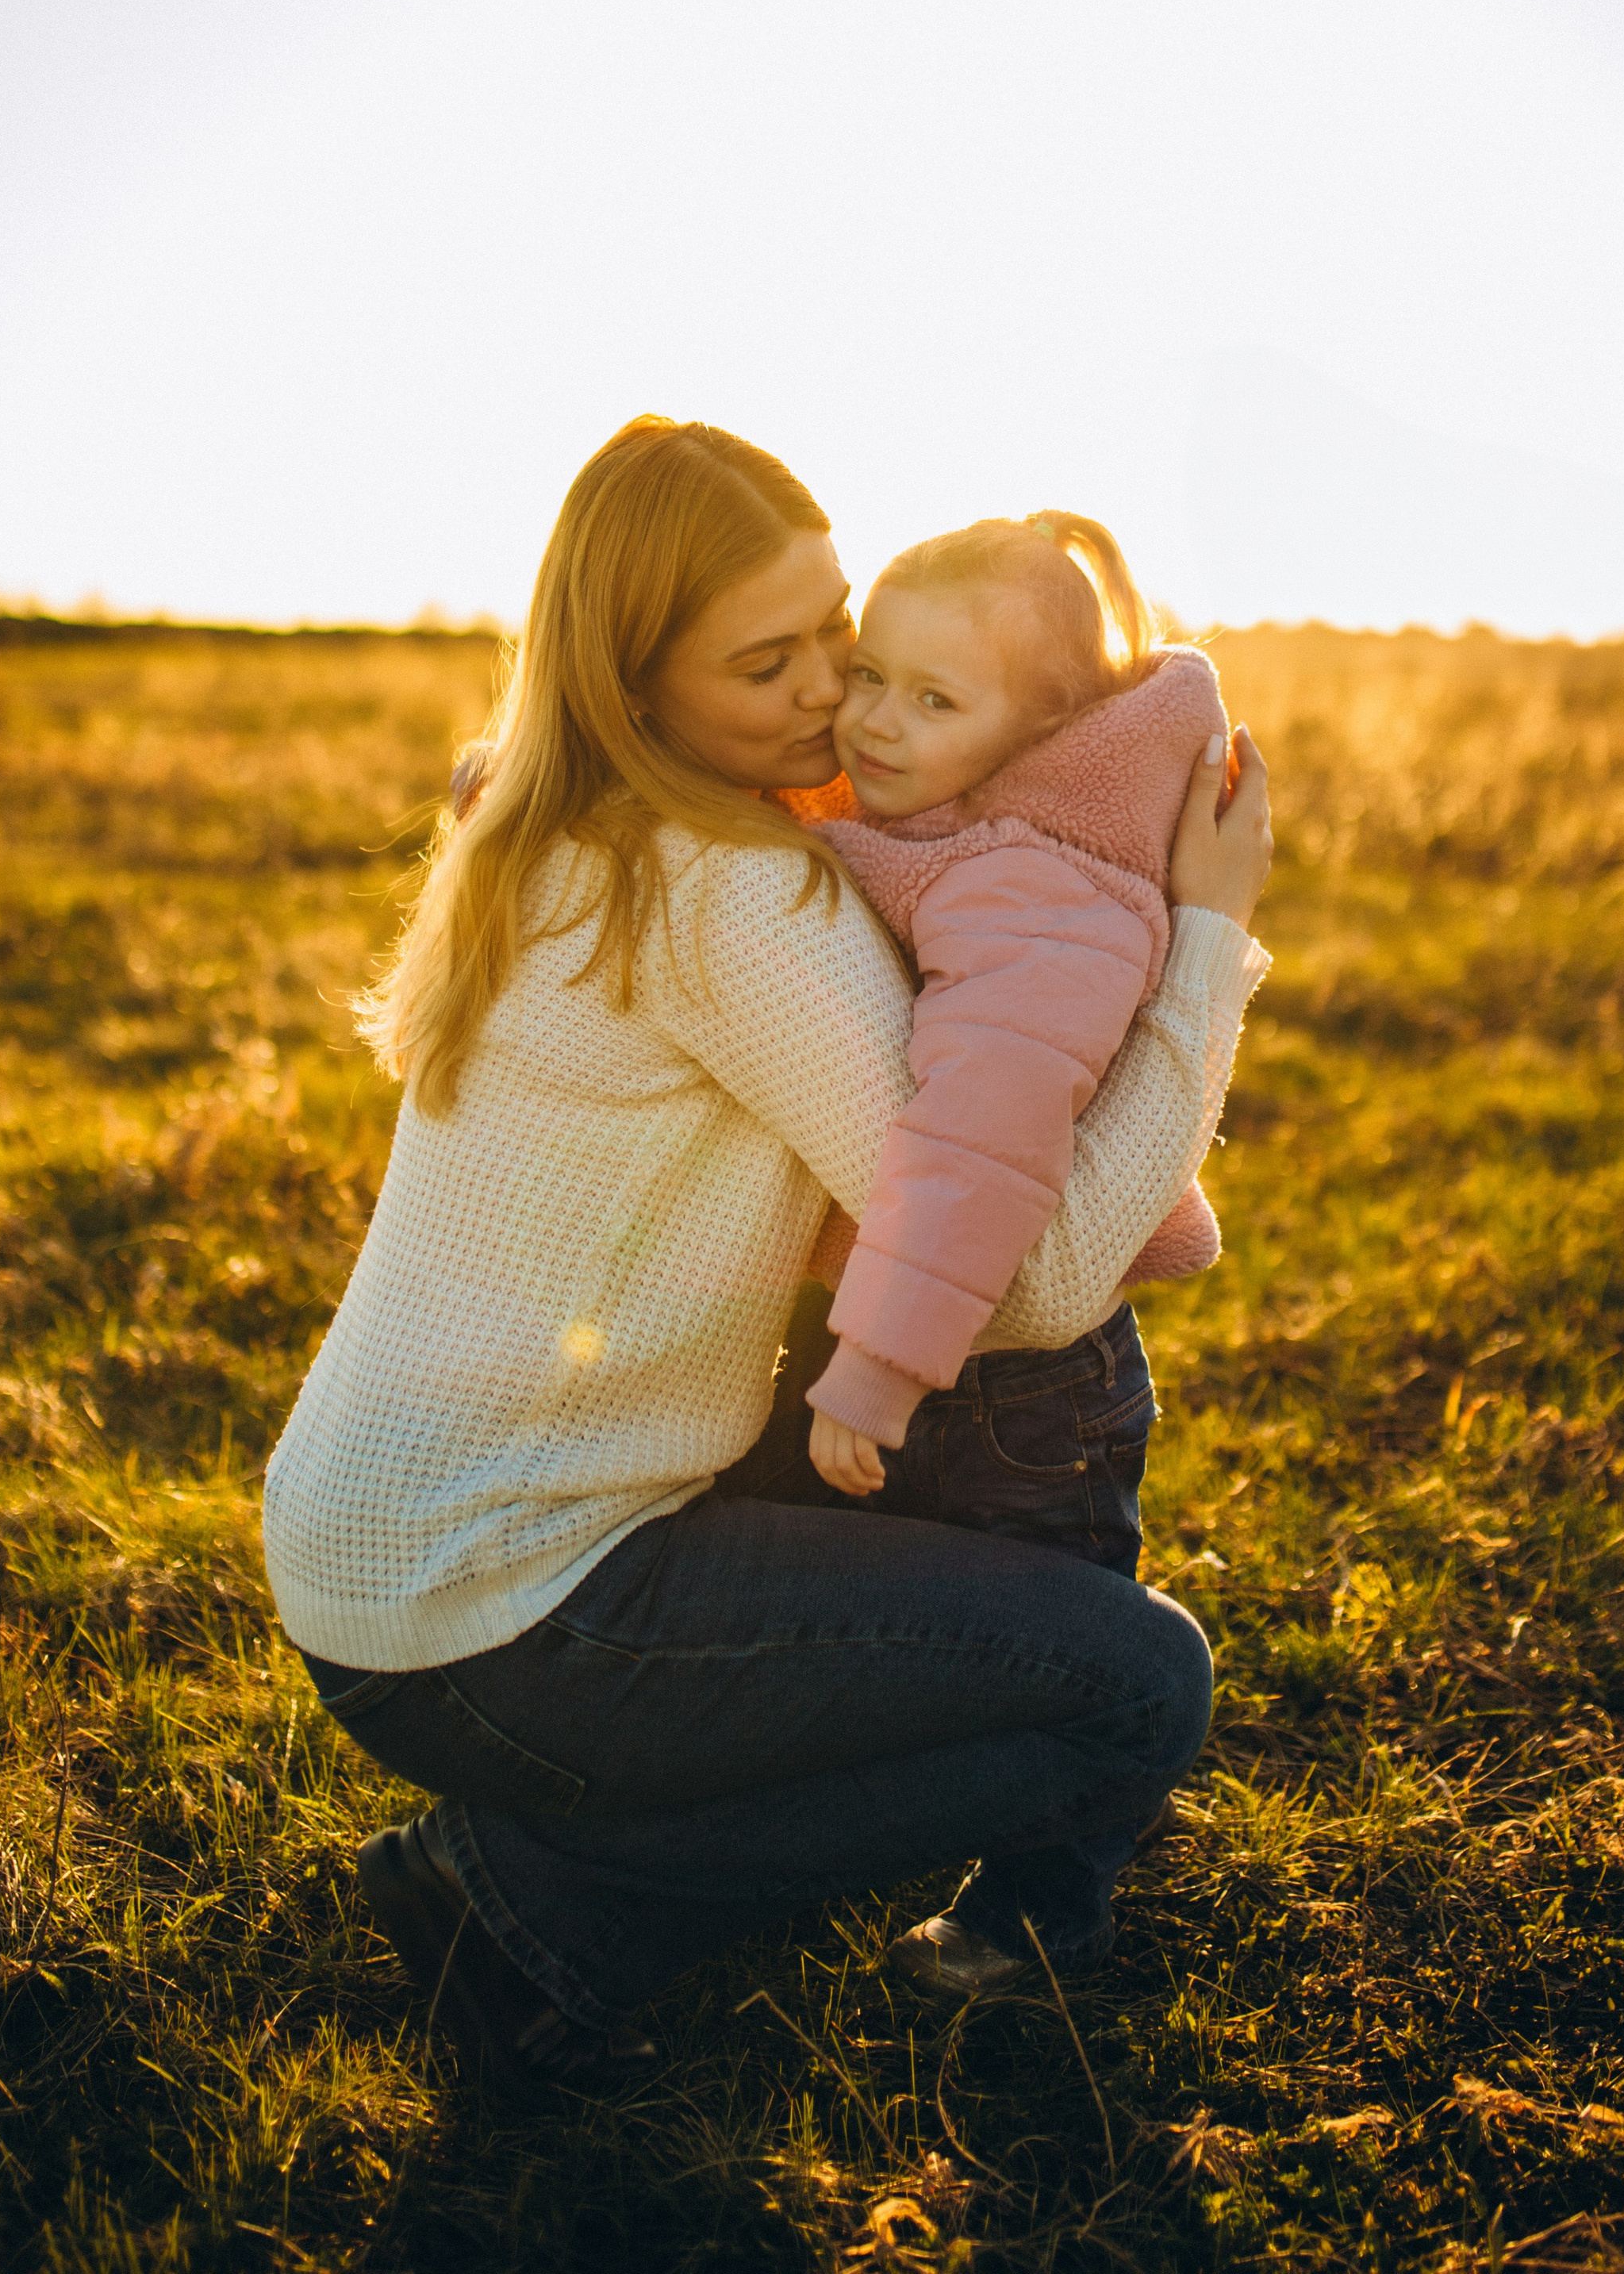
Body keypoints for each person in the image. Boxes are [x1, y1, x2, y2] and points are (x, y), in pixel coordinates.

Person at [260, 417, 1273, 2090]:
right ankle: (537, 1903)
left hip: (376, 1562)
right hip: (514, 1615)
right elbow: (1036, 1284)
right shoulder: (736, 900)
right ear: (635, 683)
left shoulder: (536, 823)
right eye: (768, 663)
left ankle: (579, 1853)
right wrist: (1207, 940)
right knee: (1135, 1690)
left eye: (836, 634)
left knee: (966, 1621)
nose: (829, 697)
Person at [790, 512, 1255, 1992]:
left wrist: (879, 1366)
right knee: (908, 1633)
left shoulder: (1038, 881)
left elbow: (981, 1142)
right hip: (929, 1342)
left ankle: (1041, 1911)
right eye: (870, 674)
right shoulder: (936, 809)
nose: (873, 719)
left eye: (934, 701)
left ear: (1042, 732)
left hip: (1022, 1389)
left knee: (1056, 1653)